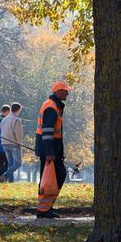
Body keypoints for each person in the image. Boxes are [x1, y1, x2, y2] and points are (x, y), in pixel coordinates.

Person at [35, 81, 71, 218]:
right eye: (65, 91)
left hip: (50, 149)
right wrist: (49, 152)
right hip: (49, 150)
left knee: (53, 177)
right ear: (58, 92)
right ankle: (44, 209)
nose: (67, 93)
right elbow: (48, 131)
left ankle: (45, 208)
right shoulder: (51, 107)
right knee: (53, 177)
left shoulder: (54, 105)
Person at [0, 102, 24, 183]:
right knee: (18, 163)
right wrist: (20, 144)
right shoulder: (17, 120)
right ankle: (5, 175)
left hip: (4, 143)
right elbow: (18, 134)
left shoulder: (4, 120)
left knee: (10, 164)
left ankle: (11, 182)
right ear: (18, 110)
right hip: (13, 143)